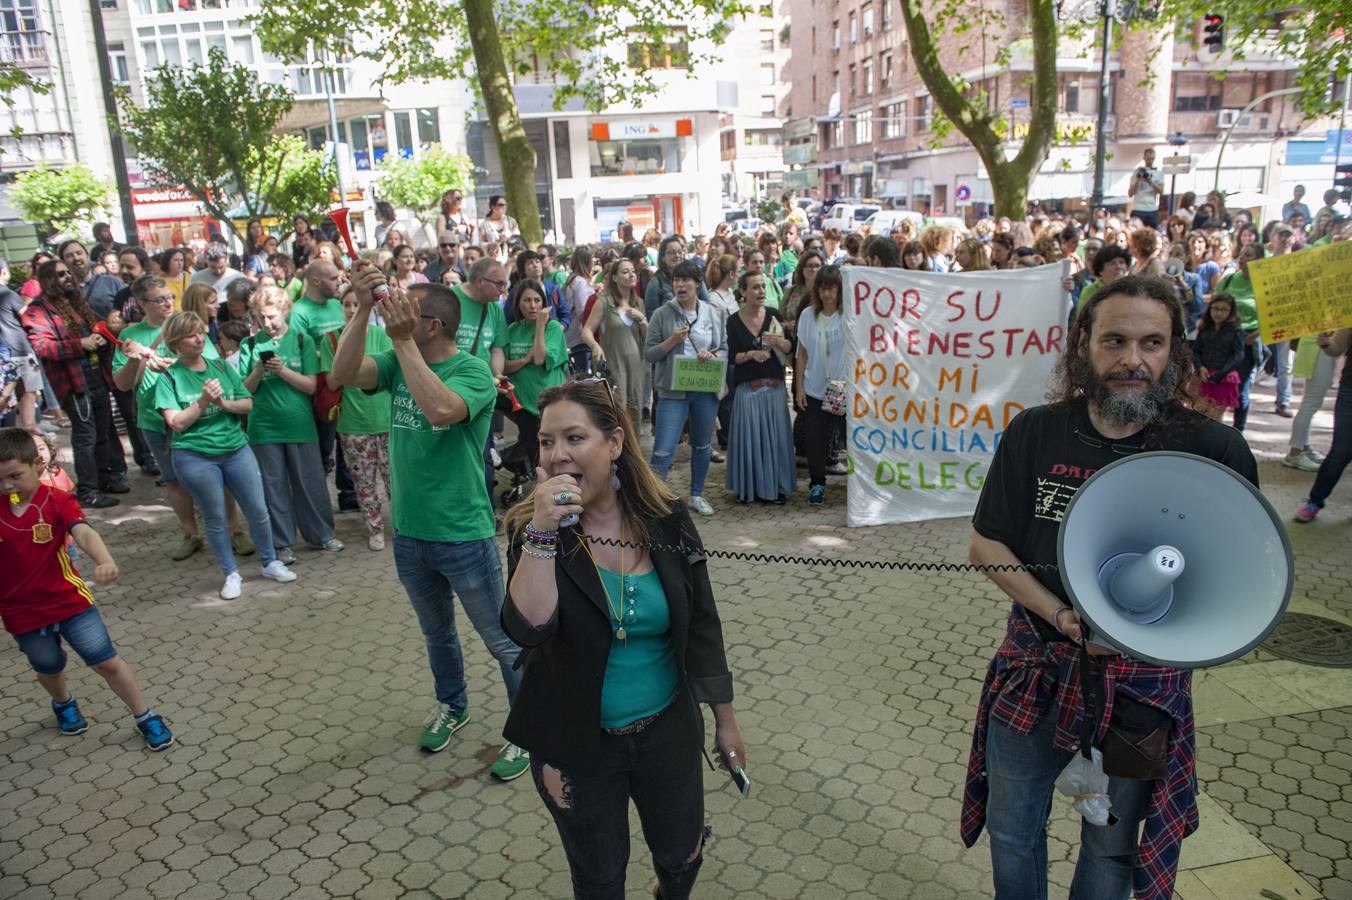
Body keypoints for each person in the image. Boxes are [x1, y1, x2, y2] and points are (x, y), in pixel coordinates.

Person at [962, 275, 1257, 900]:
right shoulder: (1036, 433)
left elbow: (1235, 580)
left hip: (1142, 691)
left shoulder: (1213, 450)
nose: (1132, 360)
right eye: (1114, 340)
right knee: (1013, 830)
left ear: (1174, 351)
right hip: (1036, 670)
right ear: (1082, 345)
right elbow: (987, 546)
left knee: (1113, 847)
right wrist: (1061, 616)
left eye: (1152, 343)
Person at [501, 380, 743, 899]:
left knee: (682, 857)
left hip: (667, 735)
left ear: (614, 444)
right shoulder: (534, 530)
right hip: (576, 747)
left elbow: (702, 624)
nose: (558, 454)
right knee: (600, 878)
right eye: (546, 442)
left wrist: (725, 721)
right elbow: (528, 627)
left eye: (574, 438)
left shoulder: (665, 517)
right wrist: (545, 532)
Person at [329, 271, 528, 780]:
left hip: (463, 533)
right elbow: (342, 373)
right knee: (436, 633)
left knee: (502, 639)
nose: (396, 308)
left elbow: (440, 409)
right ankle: (452, 705)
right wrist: (362, 311)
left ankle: (530, 729)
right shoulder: (399, 360)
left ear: (432, 325)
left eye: (406, 307)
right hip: (411, 535)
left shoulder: (474, 372)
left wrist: (399, 340)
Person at [0, 428, 174, 750]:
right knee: (48, 665)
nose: (7, 486)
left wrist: (104, 558)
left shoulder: (58, 500)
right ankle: (63, 703)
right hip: (20, 612)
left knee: (105, 660)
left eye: (14, 476)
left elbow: (83, 533)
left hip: (69, 602)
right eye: (0, 480)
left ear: (38, 465)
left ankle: (145, 716)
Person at [153, 311, 299, 599]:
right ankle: (230, 573)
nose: (198, 338)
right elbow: (177, 423)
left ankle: (270, 562)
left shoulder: (219, 366)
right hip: (195, 456)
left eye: (200, 331)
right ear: (175, 343)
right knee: (216, 516)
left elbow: (246, 404)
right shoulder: (169, 379)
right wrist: (203, 401)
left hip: (235, 449)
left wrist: (222, 403)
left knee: (257, 508)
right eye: (190, 334)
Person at [238, 288, 343, 564]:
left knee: (309, 482)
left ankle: (321, 534)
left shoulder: (301, 340)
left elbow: (311, 386)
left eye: (272, 316)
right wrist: (259, 371)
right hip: (263, 428)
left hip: (299, 424)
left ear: (285, 311)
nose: (267, 323)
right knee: (273, 488)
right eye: (261, 318)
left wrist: (282, 370)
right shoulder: (249, 345)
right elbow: (242, 391)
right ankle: (281, 543)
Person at [111, 275, 205, 561]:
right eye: (159, 299)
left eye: (169, 297)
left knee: (213, 474)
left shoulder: (188, 325)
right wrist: (136, 359)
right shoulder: (130, 336)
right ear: (141, 303)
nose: (167, 303)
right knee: (174, 480)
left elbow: (209, 364)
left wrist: (175, 360)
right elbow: (123, 385)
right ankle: (190, 535)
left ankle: (231, 530)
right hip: (154, 418)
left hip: (195, 414)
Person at [24, 261, 125, 508]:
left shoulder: (76, 302)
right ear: (48, 280)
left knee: (103, 431)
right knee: (86, 436)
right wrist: (82, 344)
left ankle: (105, 480)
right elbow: (43, 347)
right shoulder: (37, 310)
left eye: (68, 272)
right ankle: (88, 491)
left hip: (97, 376)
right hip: (74, 382)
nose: (67, 277)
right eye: (60, 274)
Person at [645, 260, 727, 518]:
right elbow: (649, 354)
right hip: (672, 392)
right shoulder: (662, 314)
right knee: (663, 448)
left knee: (702, 446)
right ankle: (657, 500)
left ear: (697, 283)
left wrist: (712, 355)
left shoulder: (713, 312)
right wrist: (672, 341)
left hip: (704, 388)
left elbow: (723, 347)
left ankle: (696, 495)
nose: (681, 285)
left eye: (686, 280)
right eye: (676, 280)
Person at [725, 269, 795, 504]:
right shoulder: (733, 321)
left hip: (775, 390)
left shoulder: (774, 314)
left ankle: (776, 489)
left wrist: (779, 341)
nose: (761, 291)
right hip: (749, 391)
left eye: (763, 286)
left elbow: (789, 349)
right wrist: (750, 354)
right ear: (743, 292)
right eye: (755, 287)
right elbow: (731, 356)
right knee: (750, 443)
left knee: (776, 442)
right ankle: (751, 489)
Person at [794, 264, 848, 506]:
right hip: (815, 388)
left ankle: (858, 484)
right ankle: (817, 484)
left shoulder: (849, 315)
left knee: (850, 438)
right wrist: (799, 388)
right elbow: (801, 353)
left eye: (832, 289)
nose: (828, 295)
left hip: (843, 389)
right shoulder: (808, 315)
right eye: (823, 289)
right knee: (815, 440)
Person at [503, 278, 568, 472]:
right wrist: (524, 360)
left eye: (537, 300)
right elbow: (503, 366)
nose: (532, 306)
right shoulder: (512, 330)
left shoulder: (553, 328)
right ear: (518, 303)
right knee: (536, 460)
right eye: (527, 300)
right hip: (523, 405)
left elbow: (540, 358)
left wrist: (540, 326)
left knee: (556, 458)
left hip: (551, 405)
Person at [1295, 326, 1352, 523]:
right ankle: (1315, 501)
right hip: (1350, 392)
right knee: (1341, 451)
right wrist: (1326, 344)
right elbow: (1336, 348)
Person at [584, 259, 647, 429]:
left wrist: (642, 320)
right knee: (616, 413)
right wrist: (595, 346)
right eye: (625, 271)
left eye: (633, 271)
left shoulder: (639, 303)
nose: (631, 274)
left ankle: (634, 453)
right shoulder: (604, 301)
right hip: (614, 366)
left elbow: (647, 338)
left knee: (635, 414)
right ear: (614, 278)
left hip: (635, 368)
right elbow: (587, 330)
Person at [0, 259, 42, 434]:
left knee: (6, 395)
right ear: (3, 272)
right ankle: (30, 429)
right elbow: (27, 317)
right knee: (29, 390)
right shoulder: (8, 294)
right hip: (20, 350)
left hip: (3, 354)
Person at [1191, 292, 1244, 420]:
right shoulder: (1205, 328)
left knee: (1215, 417)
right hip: (1203, 376)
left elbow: (1238, 355)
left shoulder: (1235, 331)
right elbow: (1195, 350)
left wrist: (1221, 374)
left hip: (1224, 378)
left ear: (1231, 312)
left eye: (1224, 310)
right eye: (1215, 308)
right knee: (1198, 414)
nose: (1218, 313)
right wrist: (1200, 367)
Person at [58, 240, 122, 320]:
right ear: (63, 262)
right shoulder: (62, 291)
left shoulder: (112, 282)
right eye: (69, 256)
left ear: (87, 256)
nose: (76, 258)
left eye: (79, 253)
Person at [1075, 245, 1132, 312]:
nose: (1118, 266)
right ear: (1101, 270)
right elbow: (1083, 317)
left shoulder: (1132, 288)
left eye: (1121, 262)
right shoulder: (1090, 291)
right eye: (1112, 263)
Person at [1127, 148, 1164, 229]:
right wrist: (1138, 180)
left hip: (1152, 209)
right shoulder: (1137, 172)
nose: (1150, 161)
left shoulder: (1158, 173)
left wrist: (1150, 181)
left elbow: (1161, 191)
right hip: (1138, 208)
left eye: (1152, 159)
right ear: (1144, 158)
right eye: (1148, 159)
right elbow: (1130, 193)